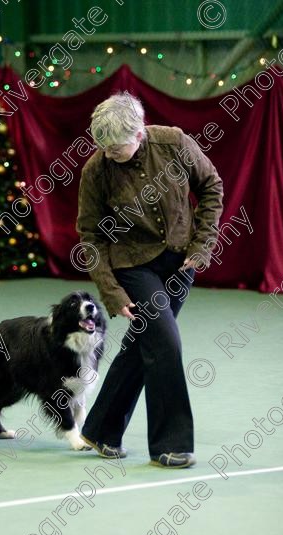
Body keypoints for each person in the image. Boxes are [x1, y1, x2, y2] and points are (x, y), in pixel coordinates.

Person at [76, 93, 223, 468]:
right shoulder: (96, 170)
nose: (109, 153)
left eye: (116, 146)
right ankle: (171, 444)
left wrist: (202, 244)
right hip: (132, 266)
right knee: (165, 343)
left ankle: (101, 429)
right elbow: (90, 239)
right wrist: (111, 291)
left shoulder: (174, 142)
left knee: (144, 344)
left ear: (139, 133)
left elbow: (211, 187)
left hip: (179, 264)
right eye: (103, 147)